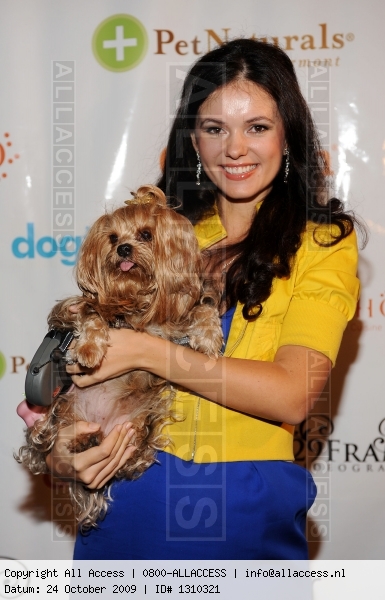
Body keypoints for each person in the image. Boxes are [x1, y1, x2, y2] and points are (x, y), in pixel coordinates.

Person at [45, 39, 360, 559]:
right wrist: (65, 454)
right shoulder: (157, 238)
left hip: (244, 510)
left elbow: (292, 395)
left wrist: (146, 351)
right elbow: (66, 397)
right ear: (193, 139)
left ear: (288, 133)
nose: (234, 149)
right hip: (126, 503)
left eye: (257, 126)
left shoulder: (322, 241)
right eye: (214, 128)